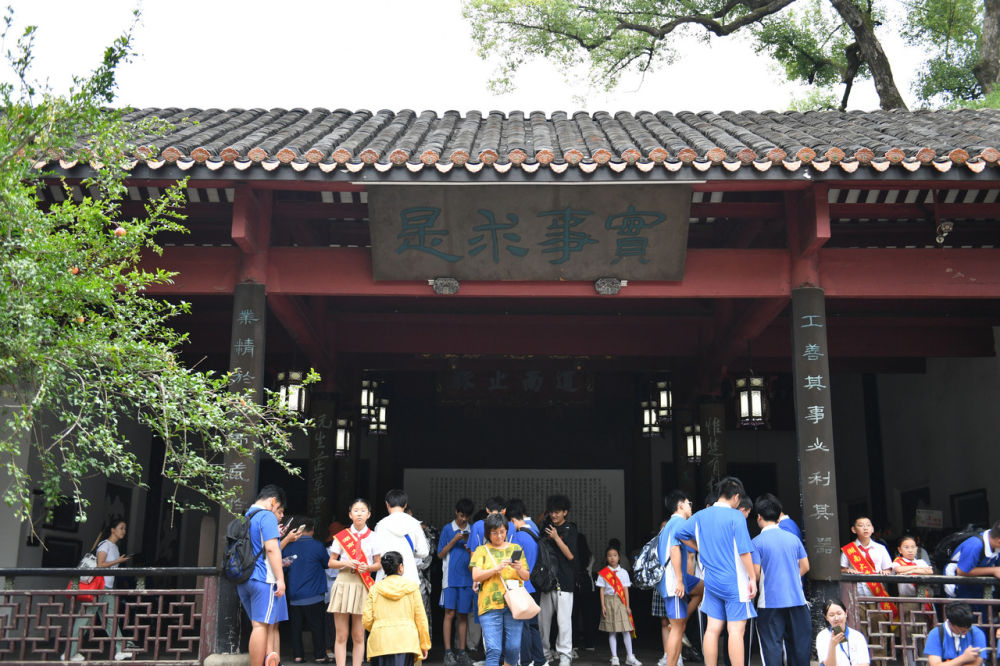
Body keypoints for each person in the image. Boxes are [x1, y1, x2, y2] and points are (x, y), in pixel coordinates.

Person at [674, 477, 756, 666]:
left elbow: (680, 533)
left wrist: (699, 547)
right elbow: (744, 551)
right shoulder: (736, 516)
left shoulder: (701, 515)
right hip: (734, 582)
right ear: (736, 496)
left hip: (711, 581)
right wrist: (752, 578)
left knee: (712, 629)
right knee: (736, 631)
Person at [751, 494, 811, 666]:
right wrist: (791, 578)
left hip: (770, 603)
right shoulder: (793, 539)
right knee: (799, 649)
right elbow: (805, 566)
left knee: (772, 648)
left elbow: (755, 574)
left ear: (759, 517)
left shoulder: (756, 542)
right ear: (779, 517)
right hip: (797, 601)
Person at [65, 517, 133, 662]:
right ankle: (69, 653)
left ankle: (120, 650)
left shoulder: (115, 547)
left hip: (107, 588)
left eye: (125, 529)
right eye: (121, 528)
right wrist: (118, 561)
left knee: (111, 619)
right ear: (113, 530)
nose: (124, 531)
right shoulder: (105, 545)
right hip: (98, 587)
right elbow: (100, 564)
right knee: (84, 619)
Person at [237, 485, 290, 666]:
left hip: (244, 578)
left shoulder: (246, 515)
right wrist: (280, 579)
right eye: (278, 508)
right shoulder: (267, 516)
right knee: (260, 626)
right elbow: (271, 549)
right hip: (263, 579)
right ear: (273, 501)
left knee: (259, 625)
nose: (278, 513)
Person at [471, 513, 530, 666]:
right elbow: (476, 575)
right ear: (488, 533)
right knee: (493, 649)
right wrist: (496, 569)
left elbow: (526, 576)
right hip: (489, 605)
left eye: (502, 532)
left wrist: (519, 568)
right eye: (494, 532)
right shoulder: (481, 550)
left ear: (507, 531)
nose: (499, 536)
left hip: (513, 604)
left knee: (514, 647)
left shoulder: (516, 548)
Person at [329, 498, 382, 666]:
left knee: (359, 635)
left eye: (363, 510)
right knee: (341, 635)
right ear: (350, 515)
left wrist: (368, 567)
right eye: (356, 510)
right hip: (343, 583)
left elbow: (379, 564)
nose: (359, 514)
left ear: (369, 515)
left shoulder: (374, 537)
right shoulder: (342, 537)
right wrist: (346, 563)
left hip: (362, 584)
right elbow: (331, 562)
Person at [363, 550, 431, 666]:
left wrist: (379, 628)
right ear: (400, 567)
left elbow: (367, 620)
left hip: (380, 643)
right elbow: (421, 619)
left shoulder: (375, 589)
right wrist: (424, 644)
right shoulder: (412, 587)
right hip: (406, 642)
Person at [656, 490, 700, 666]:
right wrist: (680, 581)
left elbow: (690, 545)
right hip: (674, 582)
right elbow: (674, 549)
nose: (691, 507)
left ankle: (680, 621)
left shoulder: (672, 524)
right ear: (680, 505)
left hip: (677, 579)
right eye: (689, 503)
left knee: (702, 588)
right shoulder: (678, 522)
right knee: (677, 629)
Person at [284, 517, 331, 664]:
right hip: (314, 594)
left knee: (296, 627)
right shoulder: (318, 546)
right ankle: (319, 656)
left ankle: (298, 656)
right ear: (312, 530)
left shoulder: (288, 547)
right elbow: (327, 564)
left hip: (295, 596)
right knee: (317, 626)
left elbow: (283, 567)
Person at [539, 494, 578, 666]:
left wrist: (556, 538)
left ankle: (565, 655)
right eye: (551, 512)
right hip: (546, 582)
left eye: (557, 512)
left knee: (564, 621)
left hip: (564, 581)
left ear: (565, 512)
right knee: (543, 620)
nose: (554, 515)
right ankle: (544, 652)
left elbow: (571, 556)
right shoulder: (547, 527)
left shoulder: (570, 529)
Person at [507, 498, 545, 666]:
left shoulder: (518, 536)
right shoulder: (534, 530)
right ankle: (540, 660)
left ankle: (526, 660)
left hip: (523, 585)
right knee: (533, 625)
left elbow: (512, 562)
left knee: (523, 627)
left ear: (512, 520)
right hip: (535, 585)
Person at [440, 498, 476, 666]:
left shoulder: (472, 529)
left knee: (463, 615)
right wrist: (454, 541)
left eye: (466, 516)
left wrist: (469, 548)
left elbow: (477, 555)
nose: (463, 519)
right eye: (461, 515)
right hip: (450, 578)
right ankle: (448, 652)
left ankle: (462, 651)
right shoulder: (448, 529)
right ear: (456, 512)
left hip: (467, 578)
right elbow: (440, 554)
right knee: (449, 614)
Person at [840, 516, 895, 618]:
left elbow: (888, 569)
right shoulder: (849, 549)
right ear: (853, 529)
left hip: (877, 596)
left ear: (872, 529)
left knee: (878, 625)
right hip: (857, 597)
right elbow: (841, 569)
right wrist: (848, 570)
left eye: (868, 525)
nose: (865, 528)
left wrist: (885, 572)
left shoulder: (881, 548)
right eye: (861, 525)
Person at [597, 542, 639, 666]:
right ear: (606, 558)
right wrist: (603, 606)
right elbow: (601, 590)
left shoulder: (624, 572)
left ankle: (630, 656)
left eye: (615, 555)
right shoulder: (604, 573)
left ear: (619, 557)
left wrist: (628, 606)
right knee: (612, 631)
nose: (612, 558)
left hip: (621, 602)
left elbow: (625, 590)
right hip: (609, 602)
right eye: (609, 556)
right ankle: (614, 657)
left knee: (626, 630)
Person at [374, 489, 429, 584]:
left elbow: (377, 553)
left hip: (385, 577)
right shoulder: (414, 524)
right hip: (409, 576)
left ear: (387, 504)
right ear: (405, 505)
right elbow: (423, 552)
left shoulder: (381, 525)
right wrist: (408, 553)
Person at [945, 520, 1000, 601]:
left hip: (979, 587)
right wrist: (993, 571)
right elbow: (962, 571)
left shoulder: (996, 547)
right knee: (962, 608)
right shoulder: (975, 545)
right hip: (959, 585)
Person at [924, 601, 988, 666]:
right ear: (950, 623)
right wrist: (963, 658)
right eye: (962, 631)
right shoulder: (935, 634)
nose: (965, 633)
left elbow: (976, 663)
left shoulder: (977, 633)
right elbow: (935, 664)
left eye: (968, 629)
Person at [816, 598, 870, 666]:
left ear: (846, 613)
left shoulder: (857, 636)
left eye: (839, 613)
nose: (836, 618)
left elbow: (864, 663)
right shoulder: (822, 636)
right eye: (831, 615)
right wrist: (832, 645)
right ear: (826, 617)